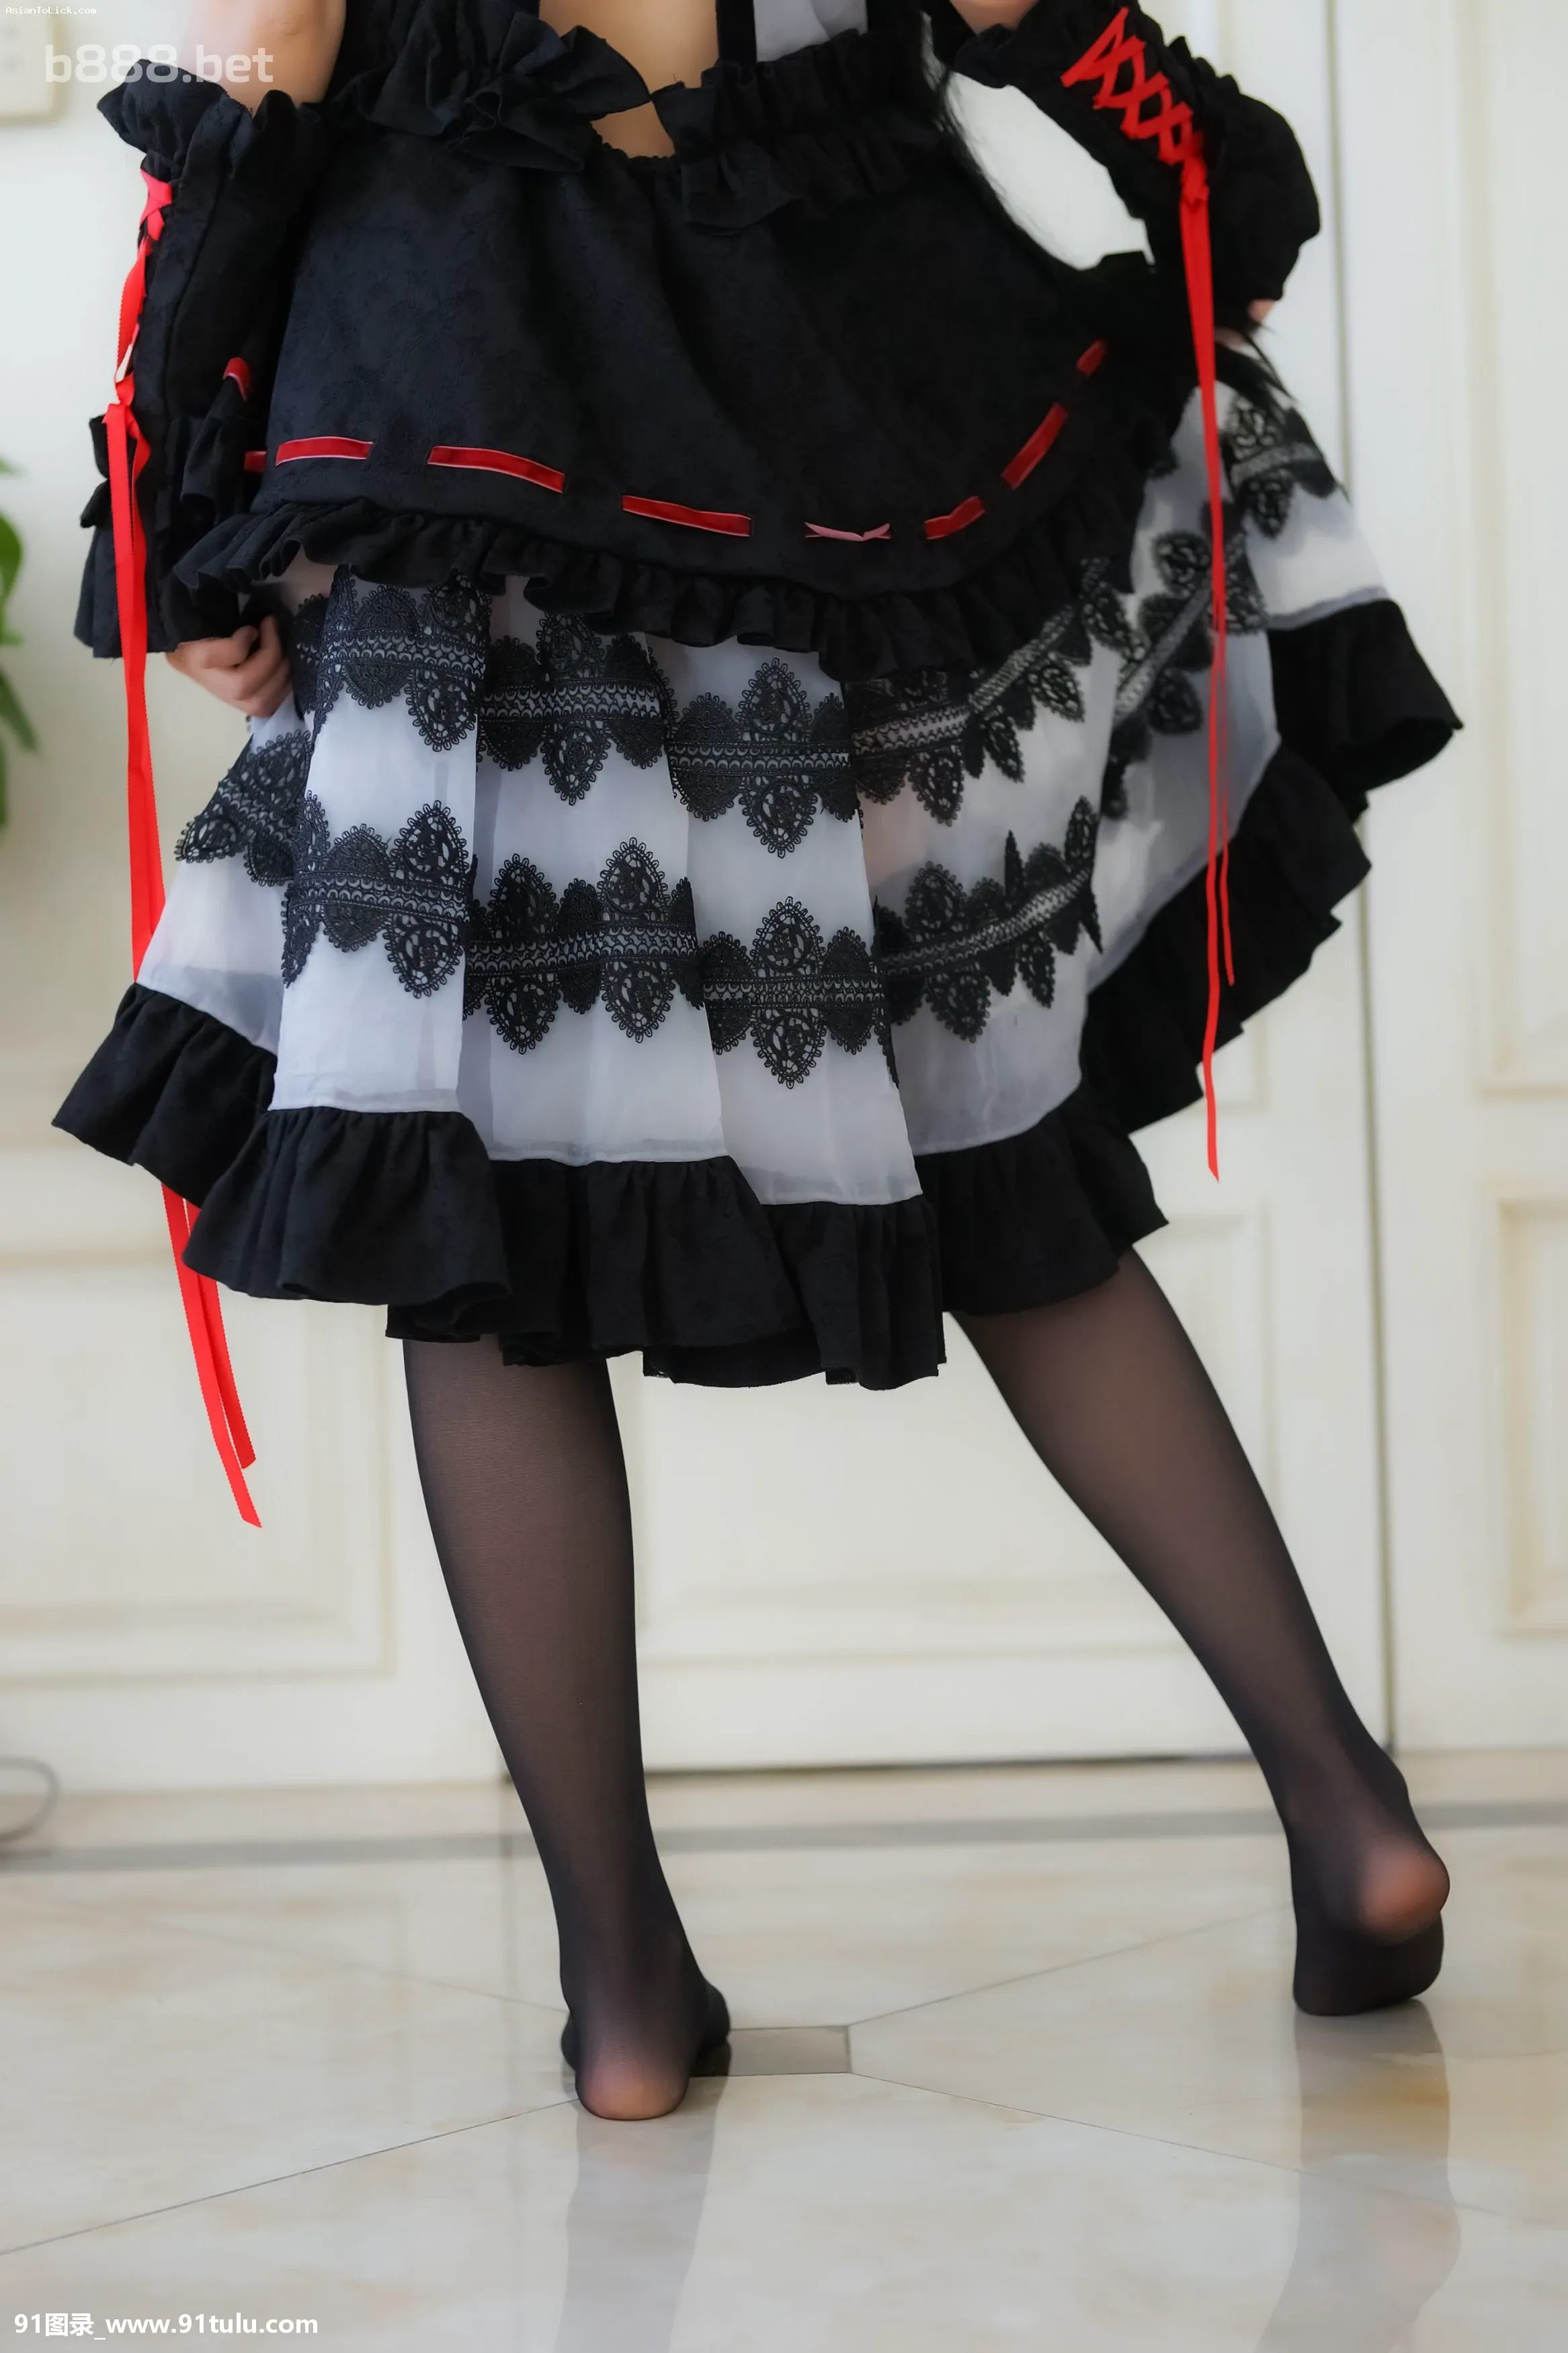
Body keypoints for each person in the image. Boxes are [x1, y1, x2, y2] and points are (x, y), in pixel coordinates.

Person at [57, 0, 1459, 2120]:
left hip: (473, 482)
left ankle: (624, 1993)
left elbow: (260, 77)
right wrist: (1219, 191)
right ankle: (1349, 1817)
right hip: (866, 456)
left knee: (485, 1247)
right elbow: (1048, 27)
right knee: (1012, 1172)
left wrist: (170, 507)